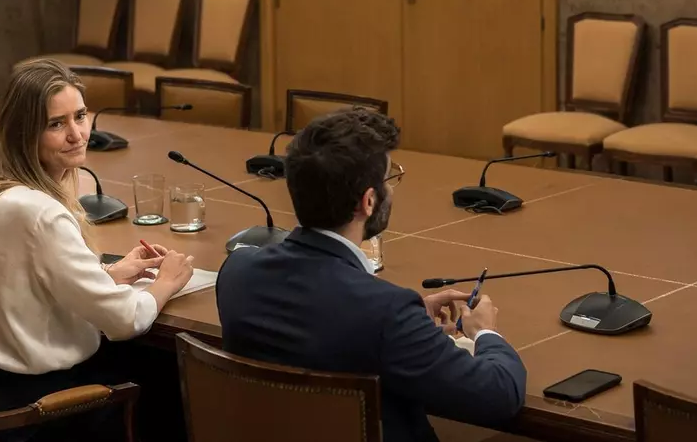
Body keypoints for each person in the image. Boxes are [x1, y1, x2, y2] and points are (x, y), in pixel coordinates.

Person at [216, 108, 527, 442]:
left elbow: (322, 317)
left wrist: (412, 323)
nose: (391, 191)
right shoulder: (386, 314)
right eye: (389, 181)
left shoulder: (238, 271)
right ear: (368, 201)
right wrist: (484, 332)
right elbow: (499, 395)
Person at [0, 58, 196, 439]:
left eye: (81, 116)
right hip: (40, 410)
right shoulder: (40, 213)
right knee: (170, 374)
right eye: (56, 124)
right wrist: (166, 282)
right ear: (24, 133)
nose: (77, 134)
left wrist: (108, 275)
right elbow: (124, 319)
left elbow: (32, 281)